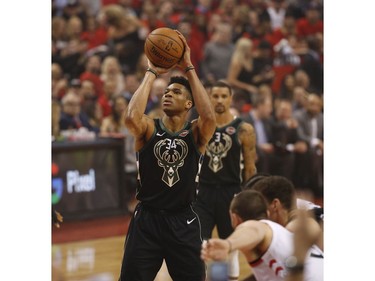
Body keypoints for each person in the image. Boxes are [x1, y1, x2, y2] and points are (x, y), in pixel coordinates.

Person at [119, 30, 216, 281]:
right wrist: (151, 72)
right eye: (166, 92)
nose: (168, 94)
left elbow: (209, 118)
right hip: (147, 220)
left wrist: (189, 67)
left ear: (188, 104)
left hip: (182, 220)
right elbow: (130, 117)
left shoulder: (195, 132)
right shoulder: (149, 127)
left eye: (176, 92)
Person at [194, 80, 257, 281]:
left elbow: (249, 167)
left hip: (231, 193)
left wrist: (248, 197)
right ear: (209, 98)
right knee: (199, 243)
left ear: (231, 99)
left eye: (224, 96)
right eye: (215, 96)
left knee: (230, 245)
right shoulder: (199, 125)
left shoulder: (244, 128)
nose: (219, 100)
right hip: (203, 192)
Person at [201, 189, 323, 281]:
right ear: (267, 212)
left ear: (234, 218)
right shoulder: (278, 233)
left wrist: (228, 244)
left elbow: (252, 229)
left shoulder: (261, 227)